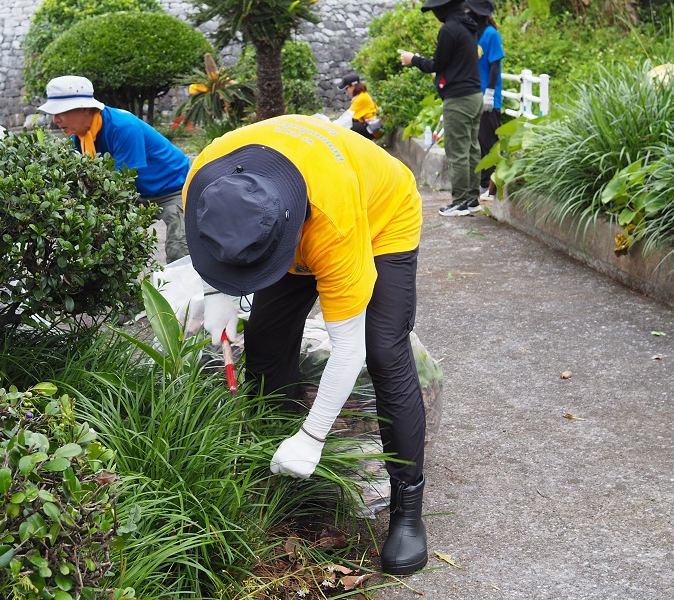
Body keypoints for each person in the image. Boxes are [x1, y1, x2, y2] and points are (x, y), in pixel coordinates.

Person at [183, 113, 427, 575]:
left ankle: (407, 508)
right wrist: (217, 293)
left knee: (382, 350)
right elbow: (213, 238)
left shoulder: (333, 228)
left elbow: (347, 351)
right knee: (266, 339)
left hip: (380, 214)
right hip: (286, 216)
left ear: (295, 228)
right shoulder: (205, 177)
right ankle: (281, 465)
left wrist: (314, 437)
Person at [38, 75, 191, 264]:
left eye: (61, 111)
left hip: (173, 187)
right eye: (53, 113)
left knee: (179, 251)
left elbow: (122, 184)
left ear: (85, 108)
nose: (56, 119)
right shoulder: (78, 138)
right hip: (136, 192)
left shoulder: (124, 127)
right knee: (112, 250)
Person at [399, 0, 483, 217]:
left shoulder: (449, 29)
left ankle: (461, 201)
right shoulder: (469, 25)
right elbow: (456, 61)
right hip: (475, 95)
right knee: (472, 148)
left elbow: (437, 65)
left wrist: (413, 59)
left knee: (457, 151)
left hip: (458, 99)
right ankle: (472, 198)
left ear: (443, 9)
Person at [466, 0, 504, 201]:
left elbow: (495, 65)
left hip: (489, 97)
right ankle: (482, 183)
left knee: (488, 141)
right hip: (473, 95)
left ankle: (490, 185)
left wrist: (489, 92)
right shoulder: (473, 33)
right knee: (478, 141)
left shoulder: (491, 34)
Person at [337, 72, 381, 140]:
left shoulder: (360, 98)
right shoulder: (363, 94)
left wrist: (332, 125)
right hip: (373, 126)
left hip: (373, 129)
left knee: (345, 127)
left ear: (352, 86)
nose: (346, 91)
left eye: (346, 88)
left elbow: (347, 117)